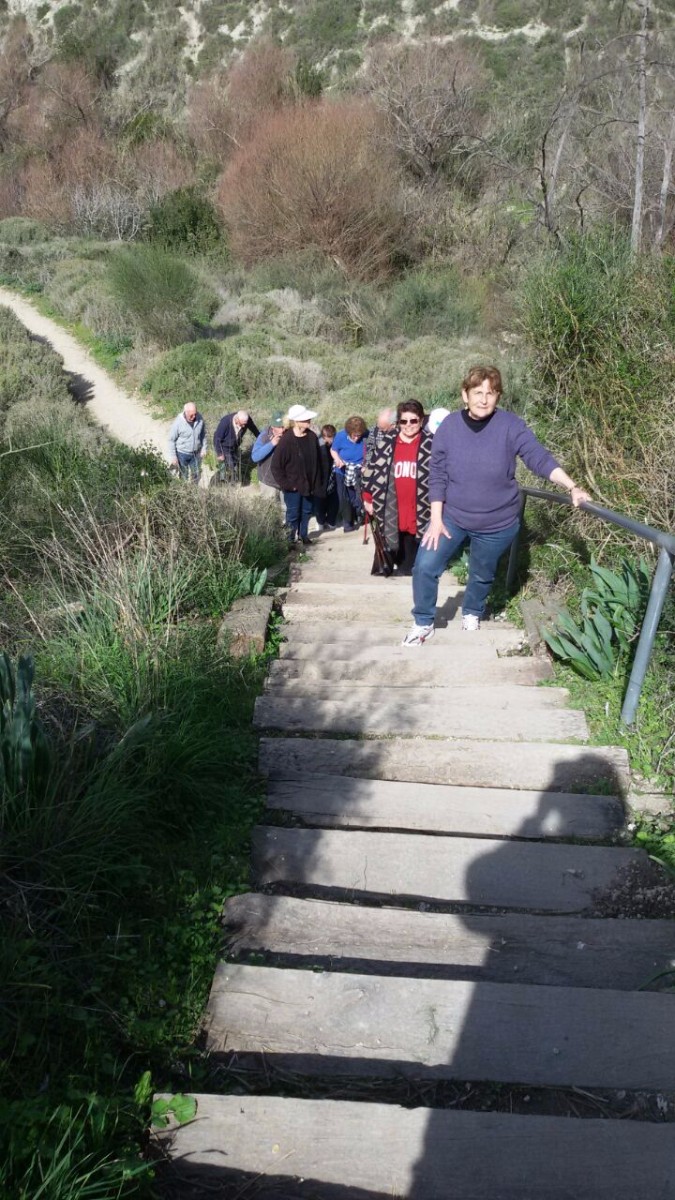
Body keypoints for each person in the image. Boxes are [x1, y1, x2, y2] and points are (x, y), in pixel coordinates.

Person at [402, 365, 592, 646]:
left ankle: (472, 612)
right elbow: (438, 475)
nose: (483, 399)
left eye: (490, 393)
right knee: (425, 566)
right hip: (452, 516)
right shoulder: (449, 428)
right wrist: (437, 518)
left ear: (498, 397)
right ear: (464, 395)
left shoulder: (511, 426)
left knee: (481, 572)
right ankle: (423, 622)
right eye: (477, 392)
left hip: (497, 522)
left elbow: (537, 458)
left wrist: (572, 486)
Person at [362, 399, 432, 576]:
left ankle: (413, 570)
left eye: (413, 420)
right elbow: (372, 470)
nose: (408, 425)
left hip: (421, 503)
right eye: (404, 421)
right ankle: (399, 567)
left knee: (416, 537)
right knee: (395, 534)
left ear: (421, 421)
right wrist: (368, 499)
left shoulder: (431, 443)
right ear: (398, 422)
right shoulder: (387, 442)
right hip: (392, 502)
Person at [272, 403, 328, 545]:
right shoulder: (286, 441)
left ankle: (304, 536)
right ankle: (290, 541)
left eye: (308, 419)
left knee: (307, 512)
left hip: (310, 485)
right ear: (296, 422)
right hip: (293, 488)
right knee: (293, 515)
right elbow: (276, 468)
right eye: (305, 419)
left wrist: (318, 483)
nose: (309, 421)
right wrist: (289, 485)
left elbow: (320, 461)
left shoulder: (312, 437)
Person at [331, 415, 369, 532]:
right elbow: (333, 450)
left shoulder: (366, 435)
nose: (357, 438)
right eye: (354, 435)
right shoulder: (341, 436)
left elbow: (372, 450)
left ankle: (360, 515)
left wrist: (366, 465)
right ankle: (347, 523)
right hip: (342, 470)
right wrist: (337, 460)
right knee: (343, 497)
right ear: (349, 432)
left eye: (359, 435)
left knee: (358, 496)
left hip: (359, 469)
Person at [213, 409, 260, 483]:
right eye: (242, 424)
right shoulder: (225, 422)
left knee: (235, 463)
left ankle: (227, 478)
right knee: (231, 466)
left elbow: (254, 429)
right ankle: (229, 483)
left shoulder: (246, 420)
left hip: (235, 445)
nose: (244, 426)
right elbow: (217, 438)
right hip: (224, 446)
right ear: (236, 419)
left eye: (245, 424)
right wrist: (219, 453)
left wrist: (260, 438)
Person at [167, 402, 206, 483]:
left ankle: (194, 491)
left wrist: (204, 448)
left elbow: (203, 435)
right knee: (184, 476)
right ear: (186, 412)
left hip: (196, 453)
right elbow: (171, 440)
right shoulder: (178, 423)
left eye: (195, 414)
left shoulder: (200, 418)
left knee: (195, 474)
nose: (194, 416)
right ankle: (185, 492)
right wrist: (174, 457)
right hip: (182, 454)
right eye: (191, 415)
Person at [251, 411, 285, 501]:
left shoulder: (289, 434)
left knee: (286, 510)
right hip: (268, 482)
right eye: (279, 427)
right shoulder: (264, 436)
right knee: (269, 509)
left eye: (284, 426)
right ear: (273, 426)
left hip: (286, 482)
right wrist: (272, 444)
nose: (282, 430)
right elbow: (255, 457)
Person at [314, 424, 339, 530]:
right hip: (321, 478)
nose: (332, 441)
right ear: (324, 437)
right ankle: (321, 522)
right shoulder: (318, 444)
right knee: (320, 501)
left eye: (333, 438)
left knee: (334, 500)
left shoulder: (335, 443)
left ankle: (331, 521)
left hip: (333, 476)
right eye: (329, 439)